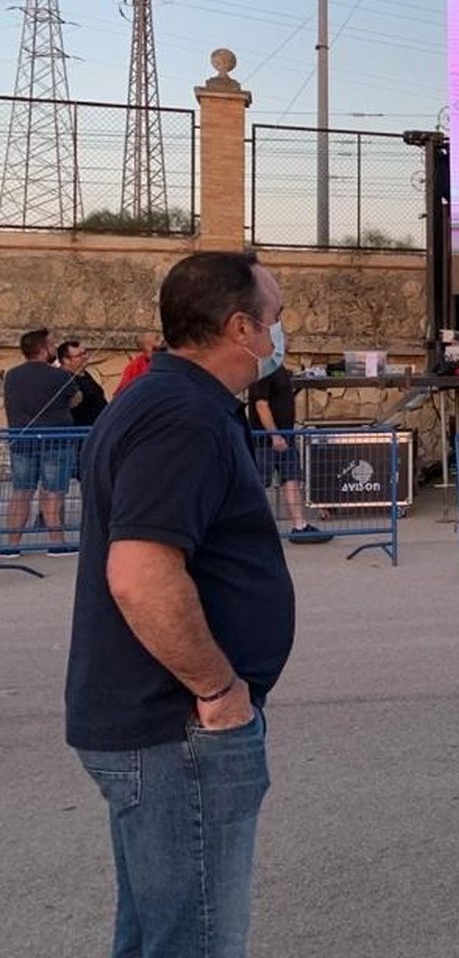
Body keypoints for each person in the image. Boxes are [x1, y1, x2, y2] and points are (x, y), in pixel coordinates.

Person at [66, 252, 296, 958]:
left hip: (159, 726)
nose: (279, 337)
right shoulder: (181, 418)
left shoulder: (167, 402)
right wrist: (220, 691)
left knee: (155, 934)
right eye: (275, 321)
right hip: (179, 729)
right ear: (239, 328)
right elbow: (139, 574)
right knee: (193, 941)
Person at [3, 327, 82, 549]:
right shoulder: (59, 375)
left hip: (22, 443)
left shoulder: (12, 374)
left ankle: (12, 545)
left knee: (21, 493)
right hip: (55, 442)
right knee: (53, 494)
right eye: (51, 344)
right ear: (42, 348)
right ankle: (56, 543)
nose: (54, 347)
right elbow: (76, 399)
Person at [248, 358, 330, 544]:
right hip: (267, 440)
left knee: (291, 478)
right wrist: (274, 435)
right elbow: (261, 405)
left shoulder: (277, 367)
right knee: (257, 485)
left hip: (286, 436)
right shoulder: (263, 369)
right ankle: (250, 530)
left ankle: (299, 526)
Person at [58, 339, 109, 427]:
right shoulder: (63, 378)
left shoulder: (85, 374)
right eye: (79, 355)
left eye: (85, 353)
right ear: (66, 360)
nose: (85, 357)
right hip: (80, 431)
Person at [114, 331, 162, 396]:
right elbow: (123, 392)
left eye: (159, 338)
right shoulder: (135, 366)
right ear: (144, 351)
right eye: (154, 349)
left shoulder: (172, 357)